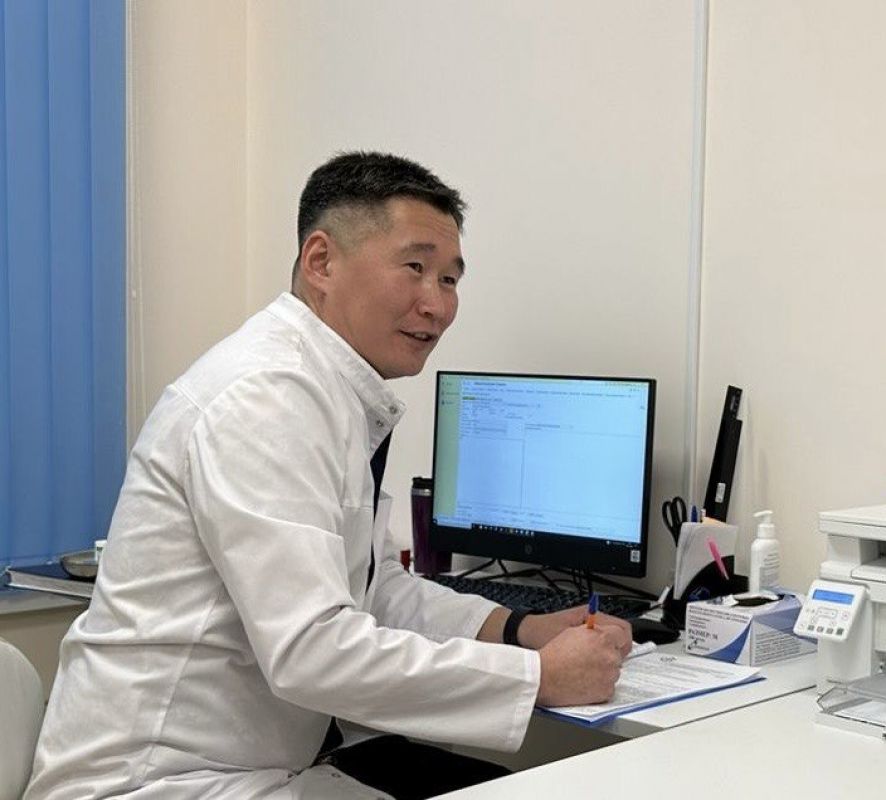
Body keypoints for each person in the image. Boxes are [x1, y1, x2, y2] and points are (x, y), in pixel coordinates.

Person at [25, 152, 631, 800]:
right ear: (321, 262)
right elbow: (312, 649)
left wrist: (516, 631)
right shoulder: (265, 396)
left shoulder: (327, 391)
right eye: (415, 268)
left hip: (252, 769)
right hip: (155, 785)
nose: (437, 304)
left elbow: (375, 589)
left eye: (451, 279)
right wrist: (537, 678)